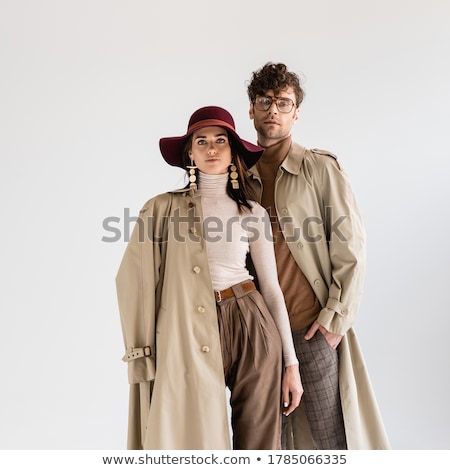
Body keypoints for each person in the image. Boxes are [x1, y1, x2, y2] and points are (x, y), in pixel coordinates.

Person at [115, 105, 303, 450]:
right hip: (188, 326)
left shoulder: (252, 212)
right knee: (196, 435)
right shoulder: (162, 209)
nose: (212, 148)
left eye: (220, 140)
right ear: (190, 153)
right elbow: (134, 281)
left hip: (251, 320)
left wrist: (290, 364)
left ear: (233, 151)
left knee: (259, 439)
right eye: (201, 142)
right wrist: (142, 348)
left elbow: (272, 289)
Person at [245, 62, 390, 450]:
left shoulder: (320, 168)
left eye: (283, 102)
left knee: (330, 439)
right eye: (264, 101)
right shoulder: (239, 175)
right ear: (251, 110)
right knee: (266, 441)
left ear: (296, 113)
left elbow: (351, 248)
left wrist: (334, 320)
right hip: (261, 335)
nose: (272, 110)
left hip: (312, 327)